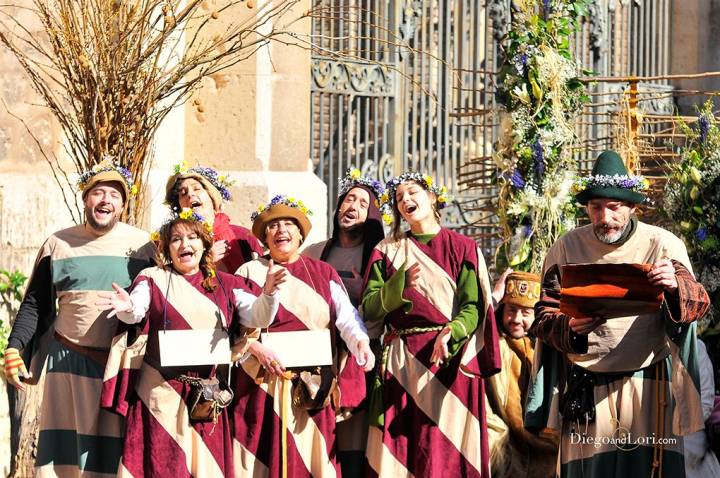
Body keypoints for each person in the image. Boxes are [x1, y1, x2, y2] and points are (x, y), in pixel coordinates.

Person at [525, 150, 711, 477]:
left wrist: (673, 286)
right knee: (588, 471)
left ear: (631, 207)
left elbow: (698, 304)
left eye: (614, 208)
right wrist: (569, 327)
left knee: (647, 470)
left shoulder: (664, 244)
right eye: (596, 208)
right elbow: (543, 316)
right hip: (584, 382)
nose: (604, 218)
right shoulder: (566, 247)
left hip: (648, 380)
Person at [98, 211, 285, 477]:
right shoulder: (152, 278)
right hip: (160, 394)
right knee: (162, 467)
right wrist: (126, 307)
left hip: (207, 399)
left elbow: (258, 315)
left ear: (205, 244)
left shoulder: (226, 283)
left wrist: (269, 294)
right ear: (166, 248)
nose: (185, 244)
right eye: (176, 239)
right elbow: (137, 310)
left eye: (192, 237)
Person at [2, 160, 155, 476]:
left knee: (115, 460)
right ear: (85, 199)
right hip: (67, 365)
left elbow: (159, 304)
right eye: (97, 192)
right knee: (68, 463)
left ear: (123, 205)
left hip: (120, 369)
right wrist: (15, 347)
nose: (105, 200)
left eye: (114, 195)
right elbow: (36, 304)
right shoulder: (58, 244)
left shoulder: (143, 246)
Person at [362, 171, 500, 478]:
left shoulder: (463, 247)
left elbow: (472, 306)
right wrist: (398, 284)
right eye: (398, 198)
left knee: (446, 450)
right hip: (402, 361)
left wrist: (453, 330)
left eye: (412, 192)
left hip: (450, 360)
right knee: (402, 449)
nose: (405, 200)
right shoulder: (387, 251)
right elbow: (369, 308)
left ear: (432, 197)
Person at [231, 195, 375, 477]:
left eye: (288, 224)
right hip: (262, 385)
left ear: (300, 234)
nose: (281, 230)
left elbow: (346, 318)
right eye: (273, 226)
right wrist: (255, 348)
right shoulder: (248, 272)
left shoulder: (323, 272)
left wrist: (360, 341)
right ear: (264, 237)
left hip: (312, 386)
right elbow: (234, 327)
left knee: (311, 459)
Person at [303, 168, 386, 477]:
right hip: (319, 356)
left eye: (363, 203)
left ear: (372, 215)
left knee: (353, 442)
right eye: (349, 199)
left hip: (361, 357)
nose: (352, 206)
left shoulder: (378, 256)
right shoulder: (313, 253)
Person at [485, 270, 558, 478]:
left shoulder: (549, 349)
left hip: (546, 456)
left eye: (525, 312)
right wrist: (494, 297)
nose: (516, 319)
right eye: (511, 310)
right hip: (504, 456)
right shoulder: (493, 344)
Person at [165, 161, 263, 272]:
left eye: (196, 189)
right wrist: (204, 260)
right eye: (183, 193)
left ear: (212, 197)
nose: (190, 194)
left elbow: (259, 278)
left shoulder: (243, 236)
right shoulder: (176, 242)